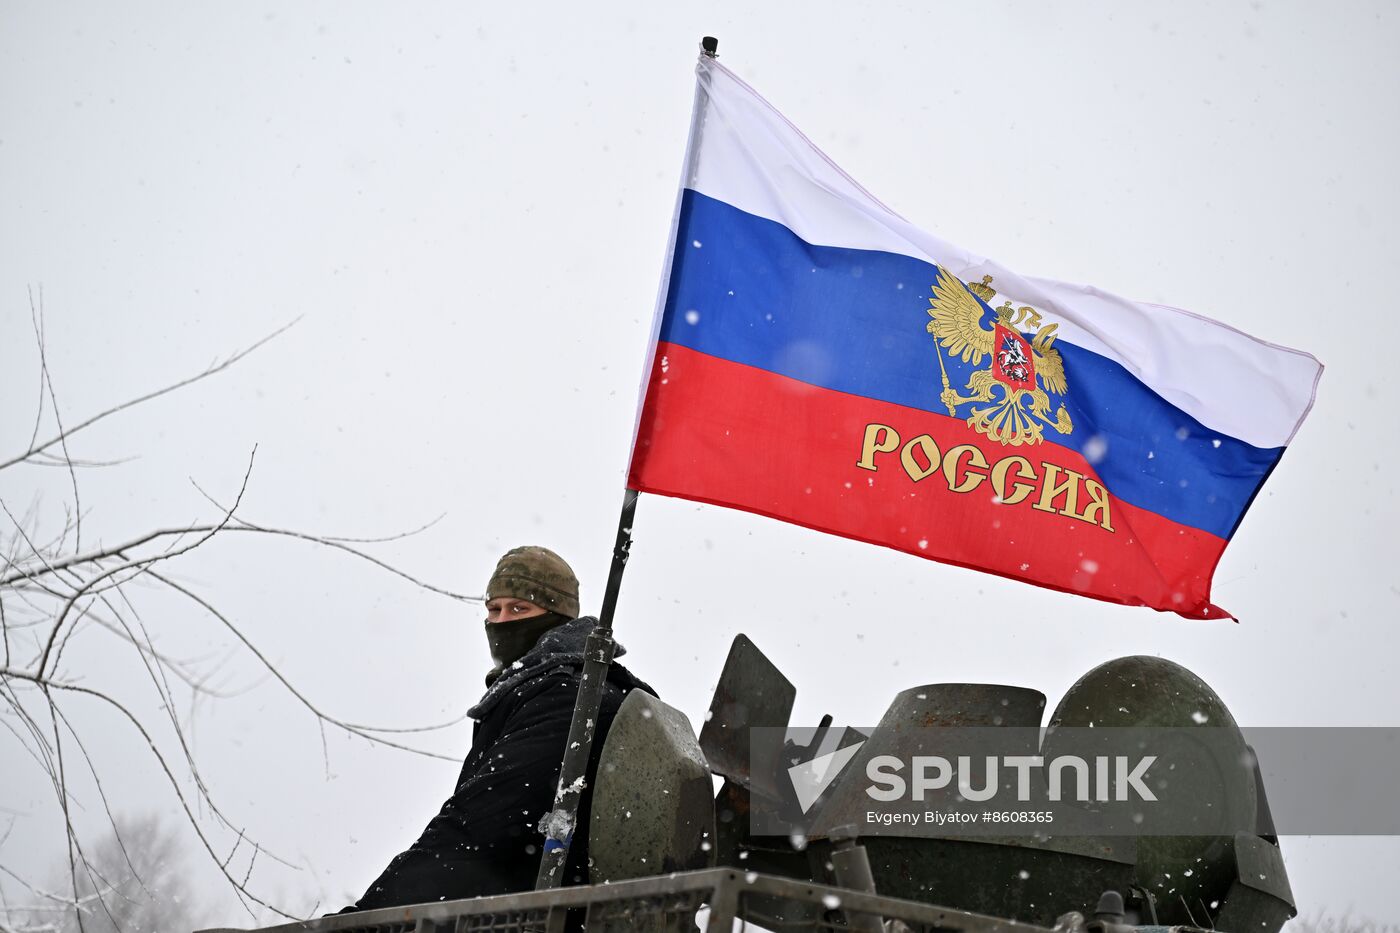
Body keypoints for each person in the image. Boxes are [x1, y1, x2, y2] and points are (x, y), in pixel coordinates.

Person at [342, 545, 655, 910]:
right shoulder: (548, 688)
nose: (502, 621)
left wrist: (369, 915)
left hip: (559, 914)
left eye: (520, 609)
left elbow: (481, 826)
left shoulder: (568, 695)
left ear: (558, 617)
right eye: (494, 609)